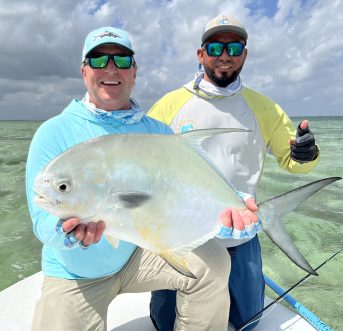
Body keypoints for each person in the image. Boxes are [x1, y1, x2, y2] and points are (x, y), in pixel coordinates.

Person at [25, 26, 234, 331]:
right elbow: (42, 217)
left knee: (214, 261)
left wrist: (232, 207)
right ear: (84, 72)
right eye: (98, 60)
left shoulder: (157, 132)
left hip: (138, 254)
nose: (110, 68)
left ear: (134, 72)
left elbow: (185, 188)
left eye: (121, 60)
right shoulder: (54, 133)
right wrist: (66, 233)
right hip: (75, 274)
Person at [148, 14, 320, 330]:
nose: (224, 56)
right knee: (165, 322)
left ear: (244, 54)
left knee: (247, 322)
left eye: (234, 47)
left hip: (242, 235)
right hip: (182, 238)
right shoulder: (168, 105)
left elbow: (293, 159)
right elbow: (144, 165)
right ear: (201, 55)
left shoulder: (263, 107)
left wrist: (306, 153)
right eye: (215, 47)